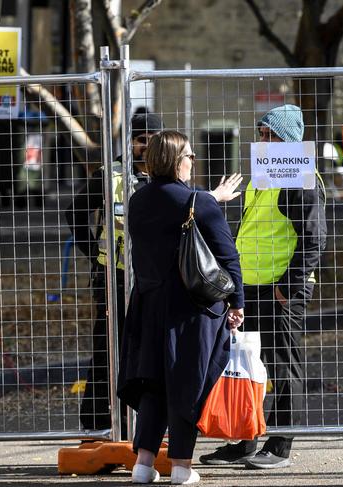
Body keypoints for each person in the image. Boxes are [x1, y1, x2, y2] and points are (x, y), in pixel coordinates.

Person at [199, 104, 327, 469]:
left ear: (289, 139)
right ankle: (244, 440)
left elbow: (315, 238)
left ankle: (280, 444)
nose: (263, 140)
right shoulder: (265, 174)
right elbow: (253, 228)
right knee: (246, 365)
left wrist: (289, 286)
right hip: (251, 286)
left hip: (279, 288)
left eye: (271, 134)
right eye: (261, 133)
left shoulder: (299, 176)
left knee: (283, 365)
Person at [117, 130, 245, 485]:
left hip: (148, 305)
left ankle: (143, 464)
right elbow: (228, 256)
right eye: (189, 155)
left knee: (153, 382)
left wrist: (208, 197)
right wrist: (237, 302)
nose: (193, 161)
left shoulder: (138, 201)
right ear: (177, 160)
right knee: (187, 383)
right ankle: (182, 468)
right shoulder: (198, 203)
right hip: (191, 309)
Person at [66, 111, 164, 433]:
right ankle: (96, 425)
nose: (146, 147)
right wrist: (94, 254)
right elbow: (75, 212)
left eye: (152, 140)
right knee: (108, 352)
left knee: (152, 353)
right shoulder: (111, 175)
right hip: (115, 278)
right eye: (140, 141)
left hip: (155, 281)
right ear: (130, 142)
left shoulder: (168, 175)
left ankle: (141, 425)